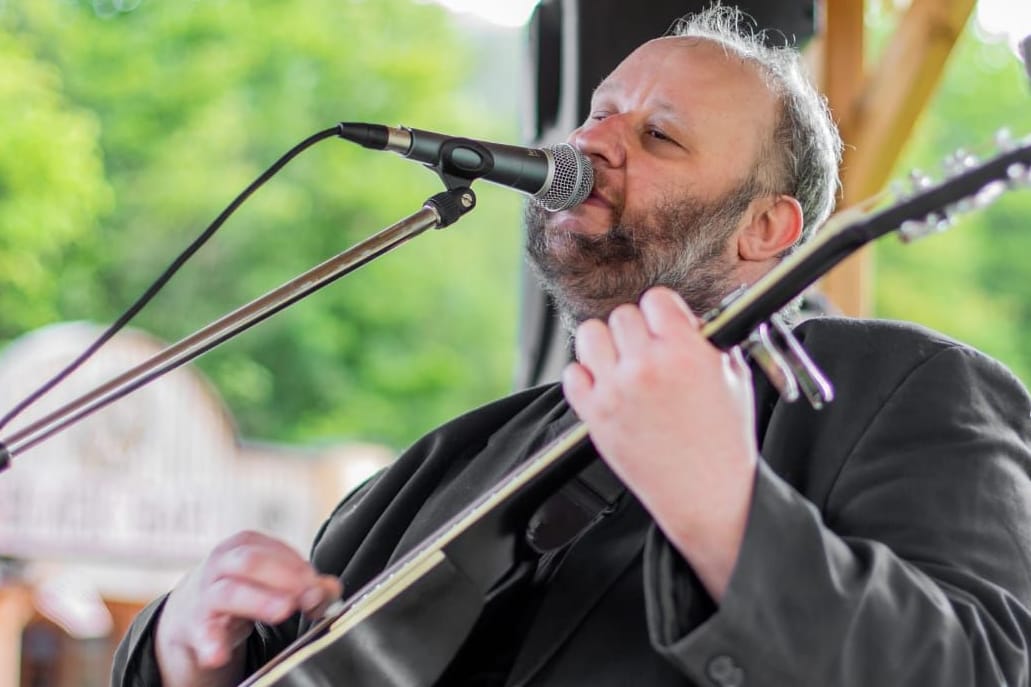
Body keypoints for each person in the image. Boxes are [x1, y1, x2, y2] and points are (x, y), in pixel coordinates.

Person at [112, 7, 1031, 686]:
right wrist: (180, 648)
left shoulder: (906, 387)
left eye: (656, 134)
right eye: (596, 114)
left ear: (764, 229)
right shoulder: (456, 455)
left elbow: (982, 669)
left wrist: (720, 501)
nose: (590, 144)